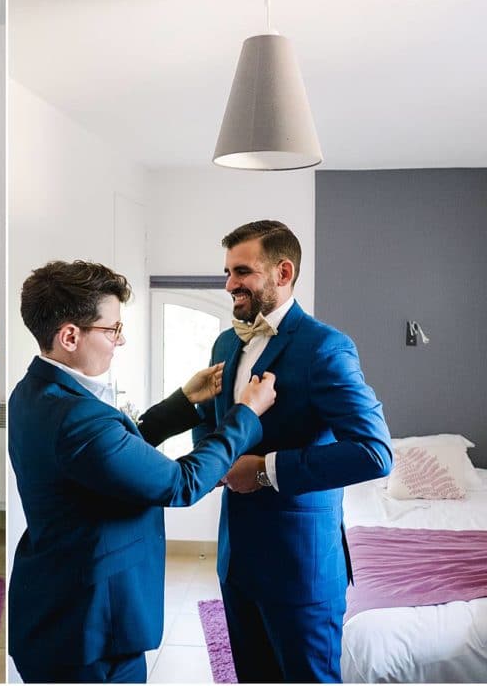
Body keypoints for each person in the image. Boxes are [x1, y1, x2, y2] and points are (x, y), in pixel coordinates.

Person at [139, 220, 393, 683]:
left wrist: (264, 470)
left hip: (301, 567)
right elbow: (211, 423)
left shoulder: (325, 348)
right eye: (227, 272)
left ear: (283, 272)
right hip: (236, 560)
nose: (229, 284)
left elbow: (375, 452)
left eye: (242, 271)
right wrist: (214, 466)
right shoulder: (224, 342)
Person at [8, 260, 276, 683]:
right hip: (90, 631)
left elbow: (115, 456)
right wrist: (245, 414)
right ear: (70, 336)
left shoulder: (34, 391)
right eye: (112, 330)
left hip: (58, 606)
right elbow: (179, 484)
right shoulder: (76, 417)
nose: (121, 340)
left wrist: (184, 401)